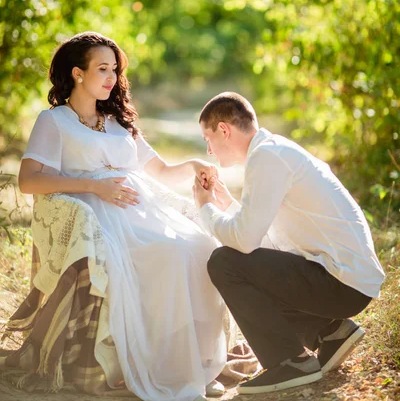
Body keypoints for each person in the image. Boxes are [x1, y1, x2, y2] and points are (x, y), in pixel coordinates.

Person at [15, 32, 227, 401]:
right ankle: (150, 365)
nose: (111, 77)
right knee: (166, 254)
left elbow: (159, 171)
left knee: (199, 245)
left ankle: (192, 362)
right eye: (102, 68)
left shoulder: (118, 121)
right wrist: (95, 187)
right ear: (78, 73)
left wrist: (193, 164)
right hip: (95, 216)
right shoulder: (54, 122)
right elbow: (29, 180)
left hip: (138, 212)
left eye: (114, 69)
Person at [193, 92, 385, 395]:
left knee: (224, 263)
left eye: (208, 138)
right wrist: (223, 202)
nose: (208, 149)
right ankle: (331, 331)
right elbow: (263, 242)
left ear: (224, 131)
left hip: (342, 282)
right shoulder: (272, 151)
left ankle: (290, 361)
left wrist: (205, 208)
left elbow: (244, 243)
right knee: (244, 263)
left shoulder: (267, 157)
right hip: (345, 279)